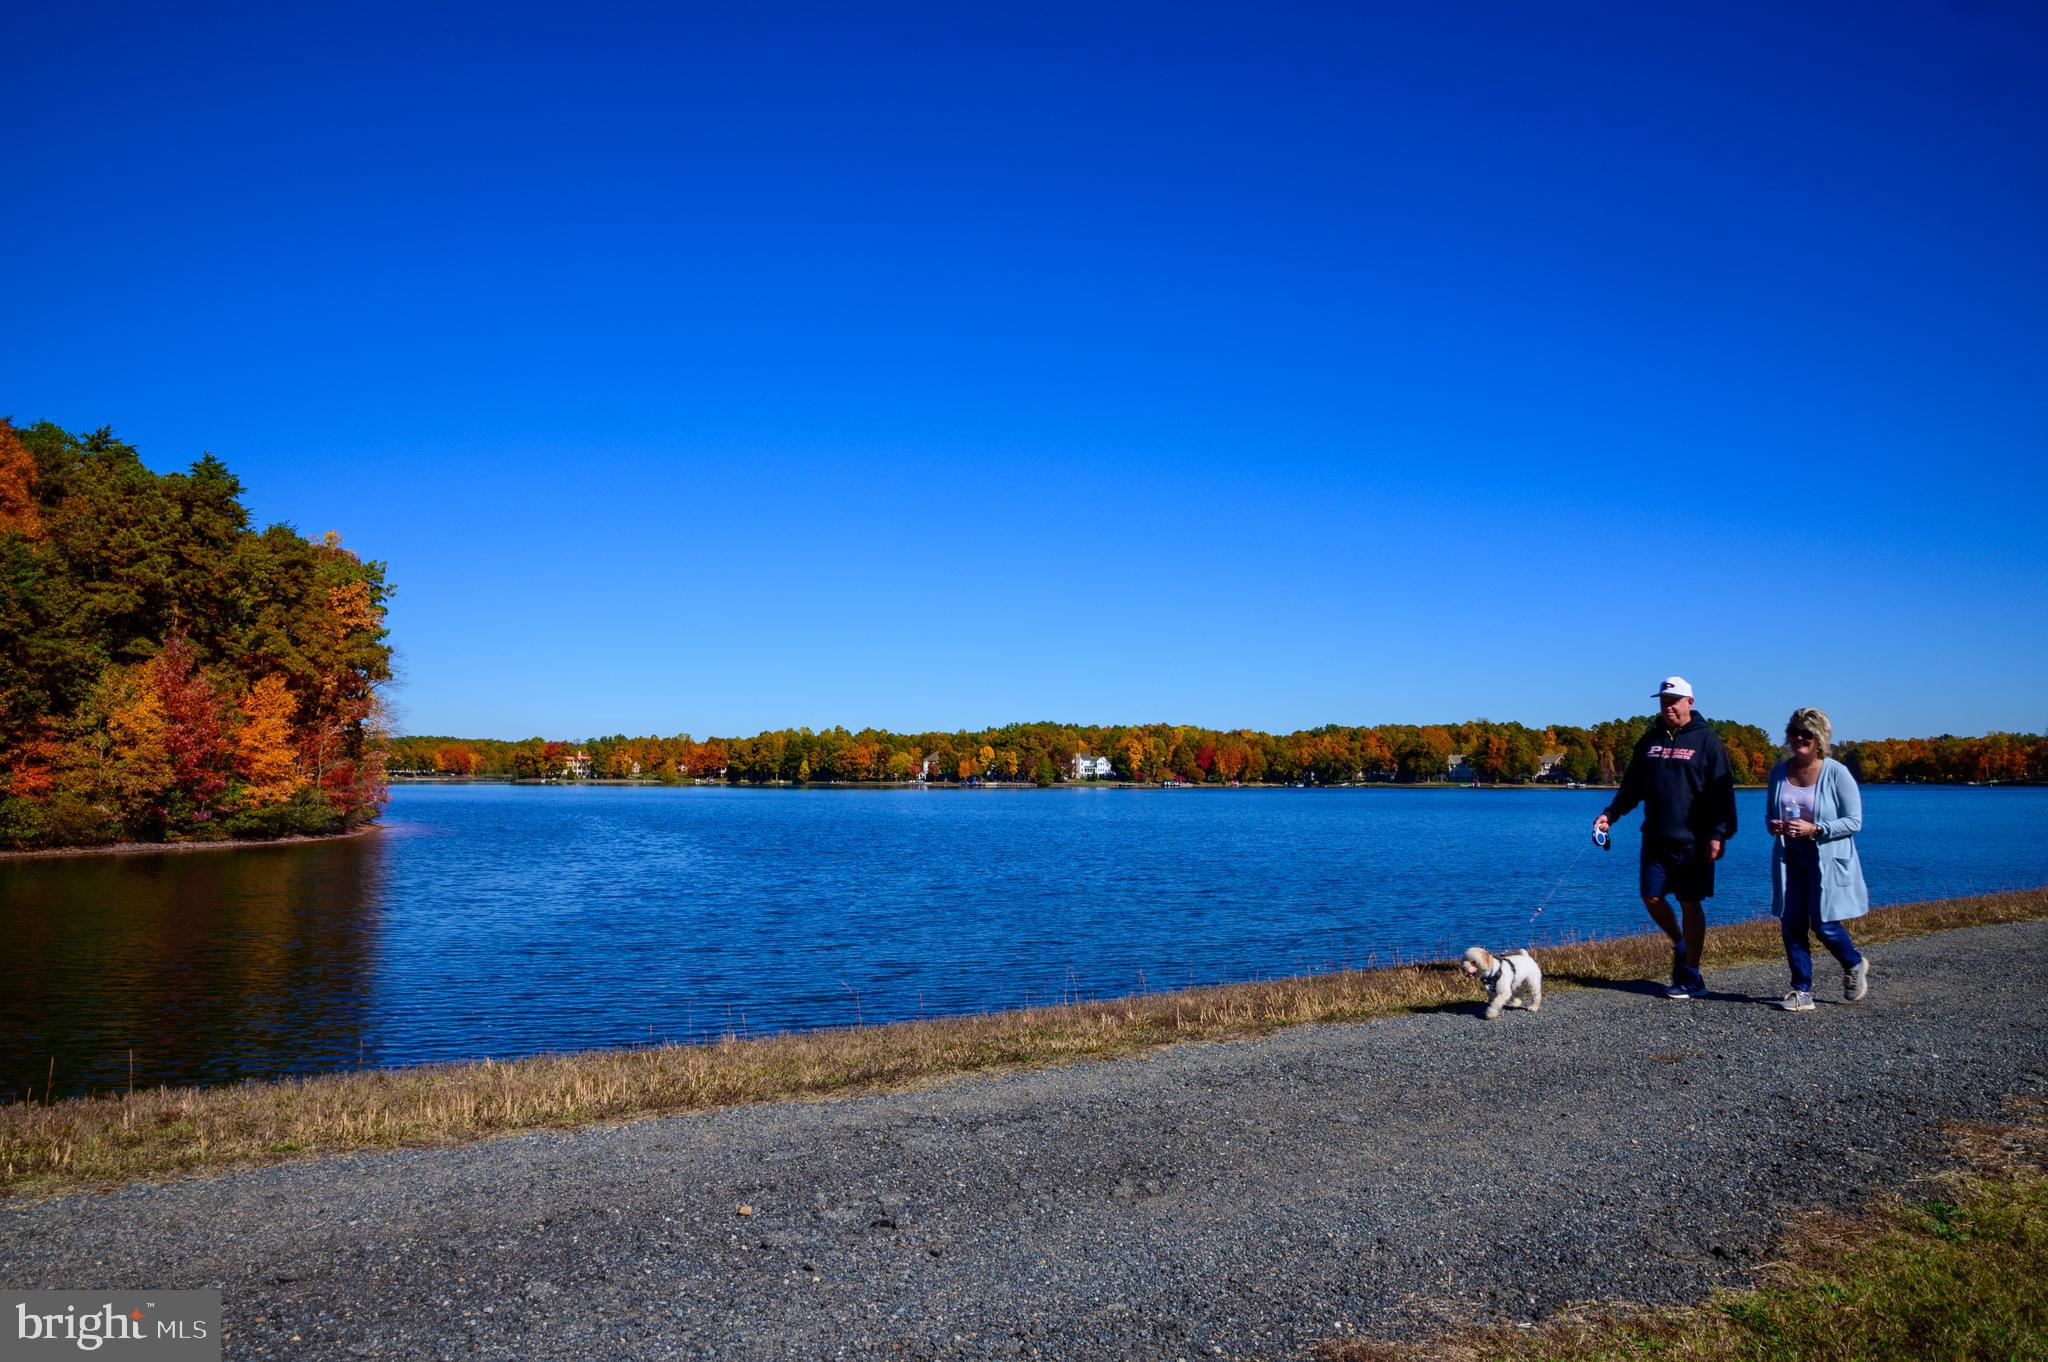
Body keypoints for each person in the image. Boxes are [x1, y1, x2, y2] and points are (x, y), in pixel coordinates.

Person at [1591, 677, 1737, 1000]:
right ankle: (1680, 943)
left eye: (1674, 700)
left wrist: (1718, 833)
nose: (1667, 706)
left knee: (1689, 902)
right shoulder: (1649, 741)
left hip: (1693, 841)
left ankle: (1692, 975)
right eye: (1663, 700)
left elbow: (1723, 794)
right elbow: (1632, 787)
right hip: (1656, 837)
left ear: (1690, 702)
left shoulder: (1708, 741)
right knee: (1651, 896)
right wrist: (1610, 815)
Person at [1766, 707, 1869, 1011]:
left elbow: (1854, 821)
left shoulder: (1836, 772)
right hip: (1789, 858)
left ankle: (1853, 963)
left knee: (1823, 924)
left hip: (1826, 859)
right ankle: (1801, 991)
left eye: (1806, 734)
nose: (1799, 738)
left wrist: (1816, 829)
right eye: (1794, 731)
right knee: (1792, 924)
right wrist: (1773, 825)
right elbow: (1770, 815)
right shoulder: (1778, 772)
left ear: (1819, 738)